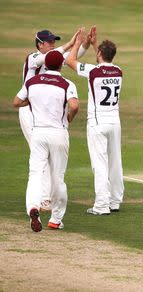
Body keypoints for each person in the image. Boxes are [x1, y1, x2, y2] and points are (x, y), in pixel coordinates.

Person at [21, 29, 89, 211]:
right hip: (30, 112)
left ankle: (46, 197)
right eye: (49, 42)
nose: (52, 44)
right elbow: (55, 55)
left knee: (44, 155)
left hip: (45, 113)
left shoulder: (52, 59)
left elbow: (70, 57)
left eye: (53, 41)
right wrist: (69, 43)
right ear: (39, 44)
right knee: (40, 156)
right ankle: (44, 199)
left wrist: (84, 43)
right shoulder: (33, 58)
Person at [13, 50, 79, 232]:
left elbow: (16, 102)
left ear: (46, 65)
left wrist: (31, 103)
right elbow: (74, 105)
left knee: (35, 173)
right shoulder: (67, 83)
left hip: (38, 133)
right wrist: (69, 117)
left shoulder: (31, 82)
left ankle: (33, 207)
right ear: (60, 66)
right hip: (58, 133)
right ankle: (56, 219)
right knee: (57, 177)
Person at [66, 27, 124, 215]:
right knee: (115, 162)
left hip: (97, 122)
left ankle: (101, 205)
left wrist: (76, 44)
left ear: (99, 53)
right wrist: (94, 46)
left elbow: (70, 61)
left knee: (99, 163)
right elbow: (104, 65)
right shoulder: (118, 71)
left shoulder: (92, 72)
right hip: (114, 122)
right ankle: (114, 201)